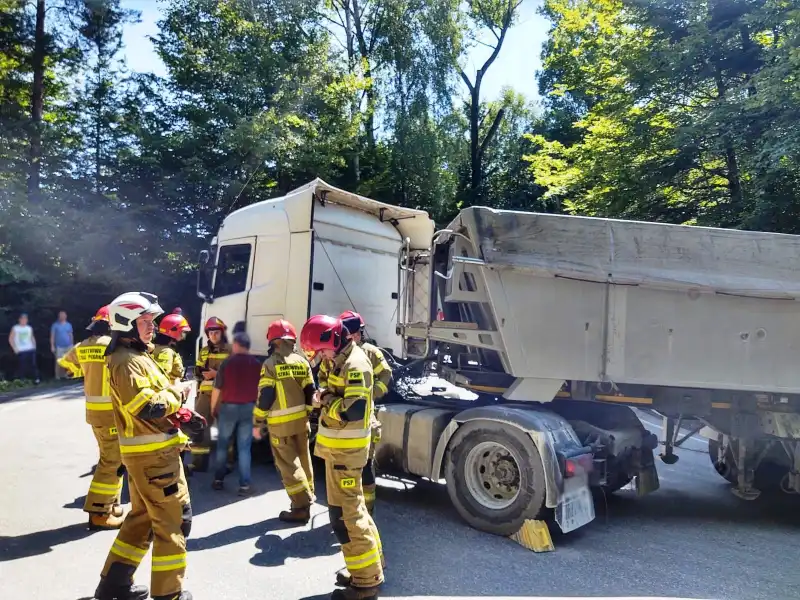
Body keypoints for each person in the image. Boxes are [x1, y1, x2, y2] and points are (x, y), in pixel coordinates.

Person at [91, 292, 204, 600]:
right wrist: (178, 394)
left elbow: (155, 400)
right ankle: (170, 594)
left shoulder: (137, 356)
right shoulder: (126, 361)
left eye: (152, 321)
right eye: (145, 321)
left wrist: (182, 414)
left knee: (142, 520)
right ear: (126, 323)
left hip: (154, 454)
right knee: (174, 524)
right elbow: (148, 408)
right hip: (153, 458)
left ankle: (113, 585)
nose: (152, 327)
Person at [300, 315, 384, 600]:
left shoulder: (355, 364)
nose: (319, 357)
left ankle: (365, 582)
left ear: (334, 341)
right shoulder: (339, 358)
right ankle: (371, 567)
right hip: (340, 451)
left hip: (346, 454)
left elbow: (354, 411)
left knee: (347, 516)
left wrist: (324, 400)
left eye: (320, 351)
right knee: (355, 510)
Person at [57, 305, 125, 530]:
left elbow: (66, 366)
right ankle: (99, 512)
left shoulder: (83, 346)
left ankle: (113, 503)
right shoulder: (113, 346)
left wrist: (85, 372)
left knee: (113, 457)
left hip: (94, 413)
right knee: (112, 461)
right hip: (111, 414)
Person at [254, 319, 316, 523]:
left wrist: (257, 420)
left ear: (275, 341)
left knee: (289, 466)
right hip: (302, 423)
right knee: (304, 461)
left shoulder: (270, 364)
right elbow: (310, 392)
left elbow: (267, 395)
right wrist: (307, 413)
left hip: (280, 426)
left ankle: (301, 506)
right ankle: (309, 497)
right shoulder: (302, 361)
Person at [336, 310, 392, 517]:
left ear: (358, 334)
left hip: (365, 418)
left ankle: (367, 510)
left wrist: (371, 394)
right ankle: (346, 509)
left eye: (351, 334)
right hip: (342, 418)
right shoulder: (338, 353)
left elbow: (386, 376)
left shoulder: (370, 352)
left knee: (366, 466)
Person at [209, 331, 262, 495]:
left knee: (223, 445)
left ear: (237, 345)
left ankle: (218, 480)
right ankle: (245, 485)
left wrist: (213, 408)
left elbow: (216, 389)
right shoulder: (257, 364)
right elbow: (261, 390)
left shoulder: (227, 363)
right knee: (244, 448)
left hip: (228, 408)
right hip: (248, 408)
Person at [190, 317, 231, 473]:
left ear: (222, 333)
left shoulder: (231, 350)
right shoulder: (204, 351)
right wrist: (200, 373)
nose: (213, 336)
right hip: (206, 395)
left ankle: (226, 464)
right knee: (200, 426)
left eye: (216, 332)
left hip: (224, 396)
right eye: (211, 333)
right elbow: (197, 370)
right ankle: (199, 463)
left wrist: (216, 374)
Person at [153, 308, 191, 384]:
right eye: (183, 332)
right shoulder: (166, 351)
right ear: (173, 331)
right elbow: (163, 378)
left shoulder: (161, 348)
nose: (183, 336)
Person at [9, 313, 39, 383]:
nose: (24, 320)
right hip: (21, 350)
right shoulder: (15, 328)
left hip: (30, 348)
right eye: (22, 319)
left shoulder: (29, 328)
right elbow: (11, 339)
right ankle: (22, 380)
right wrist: (14, 348)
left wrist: (34, 346)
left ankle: (36, 379)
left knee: (33, 365)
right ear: (19, 320)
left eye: (25, 319)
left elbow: (32, 337)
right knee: (22, 365)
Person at [51, 310, 74, 379]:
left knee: (69, 361)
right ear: (59, 316)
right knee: (58, 361)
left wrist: (72, 344)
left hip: (68, 345)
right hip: (59, 346)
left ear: (66, 316)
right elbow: (52, 336)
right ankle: (57, 376)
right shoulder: (55, 325)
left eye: (63, 315)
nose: (62, 316)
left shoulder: (68, 325)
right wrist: (52, 345)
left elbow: (70, 335)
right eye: (61, 315)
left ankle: (68, 375)